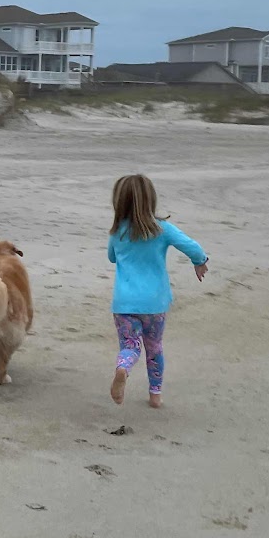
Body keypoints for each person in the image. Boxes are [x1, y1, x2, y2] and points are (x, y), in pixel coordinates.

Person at [107, 173, 208, 409]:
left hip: (124, 303)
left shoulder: (117, 232)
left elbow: (112, 257)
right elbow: (191, 246)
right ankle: (155, 395)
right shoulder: (162, 229)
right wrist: (200, 261)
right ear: (151, 200)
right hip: (154, 303)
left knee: (130, 346)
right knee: (154, 347)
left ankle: (123, 368)